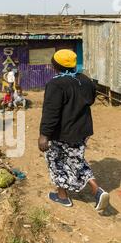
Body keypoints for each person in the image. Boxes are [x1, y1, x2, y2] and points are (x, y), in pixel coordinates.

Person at [38, 49, 110, 211]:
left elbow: (51, 112)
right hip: (82, 131)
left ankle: (62, 197)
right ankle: (97, 190)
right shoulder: (84, 80)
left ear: (55, 65)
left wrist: (44, 135)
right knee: (77, 160)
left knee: (57, 162)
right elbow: (89, 100)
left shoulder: (56, 84)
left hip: (62, 134)